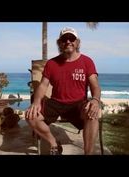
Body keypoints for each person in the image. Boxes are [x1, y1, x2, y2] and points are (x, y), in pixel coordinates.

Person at [25, 27, 101, 155]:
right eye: (64, 39)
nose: (68, 42)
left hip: (78, 104)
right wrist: (36, 102)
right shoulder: (52, 63)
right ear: (59, 43)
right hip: (56, 103)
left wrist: (95, 100)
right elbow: (43, 85)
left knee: (92, 114)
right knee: (30, 116)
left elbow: (95, 86)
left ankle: (89, 153)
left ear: (77, 42)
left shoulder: (87, 61)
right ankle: (54, 143)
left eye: (71, 38)